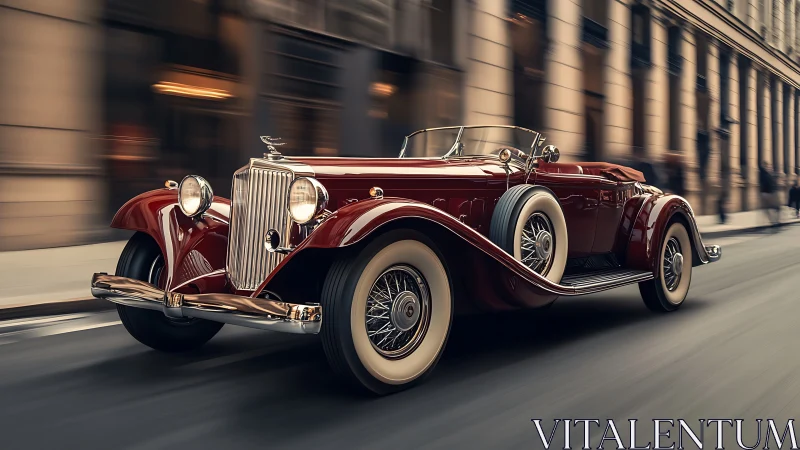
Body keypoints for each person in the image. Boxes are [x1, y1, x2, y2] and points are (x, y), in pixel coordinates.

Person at [758, 161, 779, 226]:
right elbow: (769, 184)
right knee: (772, 208)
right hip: (767, 193)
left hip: (766, 193)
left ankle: (772, 220)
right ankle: (773, 221)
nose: (768, 167)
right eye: (767, 166)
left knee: (768, 208)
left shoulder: (765, 174)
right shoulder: (766, 174)